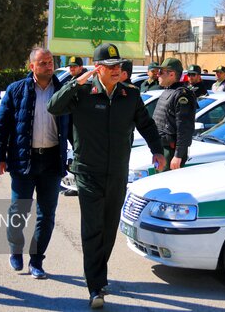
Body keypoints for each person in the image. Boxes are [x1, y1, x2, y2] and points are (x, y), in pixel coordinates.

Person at [47, 43, 166, 309]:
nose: (117, 70)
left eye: (119, 65)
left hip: (117, 173)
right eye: (110, 66)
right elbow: (54, 107)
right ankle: (95, 285)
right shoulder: (82, 94)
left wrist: (157, 151)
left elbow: (146, 124)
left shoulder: (130, 95)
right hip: (88, 172)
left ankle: (99, 274)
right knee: (92, 229)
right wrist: (75, 84)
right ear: (98, 68)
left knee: (110, 228)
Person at [0, 48, 69, 280]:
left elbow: (74, 127)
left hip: (52, 161)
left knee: (46, 215)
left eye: (50, 62)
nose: (49, 66)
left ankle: (36, 260)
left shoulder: (63, 91)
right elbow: (1, 125)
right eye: (43, 63)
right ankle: (15, 249)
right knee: (19, 210)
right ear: (32, 67)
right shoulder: (17, 90)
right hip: (23, 160)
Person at [154, 58, 197, 171]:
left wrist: (178, 155)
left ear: (172, 74)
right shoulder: (169, 91)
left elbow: (184, 127)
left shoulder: (182, 95)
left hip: (171, 151)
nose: (158, 75)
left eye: (161, 72)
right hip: (162, 147)